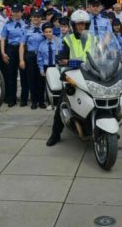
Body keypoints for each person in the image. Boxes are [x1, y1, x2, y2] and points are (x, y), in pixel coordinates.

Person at [46, 10, 95, 146]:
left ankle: (105, 129)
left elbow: (101, 53)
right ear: (73, 25)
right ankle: (55, 134)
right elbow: (61, 58)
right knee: (62, 103)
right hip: (73, 75)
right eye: (78, 24)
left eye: (83, 24)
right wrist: (71, 62)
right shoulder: (68, 39)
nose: (81, 26)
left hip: (91, 74)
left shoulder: (93, 38)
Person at [0, 3, 28, 107]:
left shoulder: (27, 24)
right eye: (14, 11)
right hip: (11, 49)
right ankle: (12, 98)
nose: (15, 14)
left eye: (18, 11)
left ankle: (24, 98)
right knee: (11, 75)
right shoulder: (7, 25)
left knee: (24, 75)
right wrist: (3, 53)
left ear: (22, 12)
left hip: (23, 50)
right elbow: (3, 39)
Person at [19, 9, 45, 109]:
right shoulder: (26, 29)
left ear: (41, 18)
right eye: (34, 17)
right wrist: (21, 60)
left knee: (41, 79)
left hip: (42, 57)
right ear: (31, 18)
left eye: (38, 17)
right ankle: (34, 101)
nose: (36, 19)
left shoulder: (45, 28)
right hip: (30, 56)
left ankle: (41, 101)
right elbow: (21, 45)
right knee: (31, 79)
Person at [37, 22, 62, 111]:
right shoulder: (42, 44)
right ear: (43, 33)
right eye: (46, 32)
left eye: (50, 31)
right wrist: (41, 69)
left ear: (53, 32)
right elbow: (40, 58)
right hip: (46, 66)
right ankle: (50, 103)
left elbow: (62, 53)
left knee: (58, 84)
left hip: (56, 66)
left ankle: (58, 103)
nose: (48, 33)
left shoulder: (58, 41)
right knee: (48, 86)